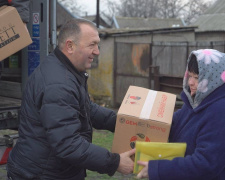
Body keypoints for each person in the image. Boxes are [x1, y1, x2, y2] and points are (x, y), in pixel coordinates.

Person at [7, 18, 135, 180]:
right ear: (70, 46)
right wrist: (114, 162)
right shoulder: (59, 84)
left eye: (98, 45)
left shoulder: (65, 71)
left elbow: (85, 108)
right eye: (92, 45)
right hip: (42, 174)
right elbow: (68, 144)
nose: (97, 51)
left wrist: (122, 123)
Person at [137, 49, 225, 180]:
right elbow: (173, 124)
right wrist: (142, 122)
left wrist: (158, 169)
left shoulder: (219, 111)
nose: (190, 82)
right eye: (190, 75)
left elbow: (206, 164)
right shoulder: (197, 102)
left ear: (213, 79)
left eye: (197, 77)